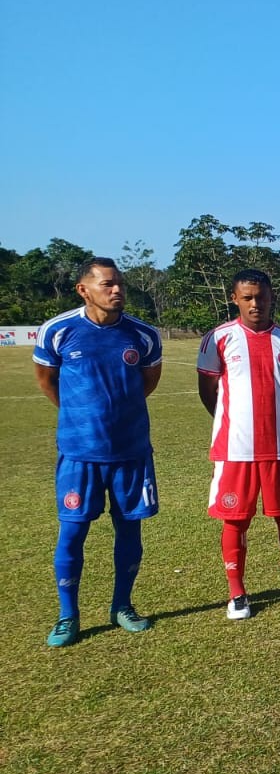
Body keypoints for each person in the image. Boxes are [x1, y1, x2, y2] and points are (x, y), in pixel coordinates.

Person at [33, 257, 162, 647]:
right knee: (72, 533)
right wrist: (81, 418)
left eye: (119, 283)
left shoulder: (142, 335)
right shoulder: (58, 330)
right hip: (79, 455)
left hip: (131, 453)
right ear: (83, 289)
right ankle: (67, 614)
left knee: (129, 530)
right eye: (107, 284)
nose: (117, 290)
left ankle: (122, 605)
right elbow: (46, 380)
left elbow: (147, 382)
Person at [196, 269, 280, 618]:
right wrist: (235, 422)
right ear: (235, 299)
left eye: (262, 297)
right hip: (235, 450)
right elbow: (209, 393)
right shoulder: (218, 338)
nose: (256, 304)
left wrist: (271, 419)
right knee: (235, 520)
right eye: (248, 298)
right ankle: (237, 594)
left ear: (271, 298)